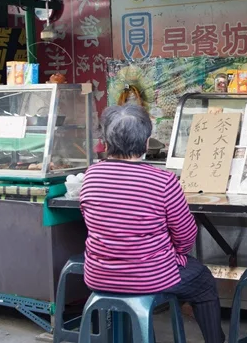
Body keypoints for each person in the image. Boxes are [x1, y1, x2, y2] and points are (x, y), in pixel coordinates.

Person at [79, 105, 226, 343]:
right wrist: (173, 254)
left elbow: (92, 221)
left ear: (105, 142)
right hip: (149, 276)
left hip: (99, 275)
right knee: (203, 280)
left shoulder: (91, 175)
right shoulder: (164, 180)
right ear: (147, 143)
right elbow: (187, 235)